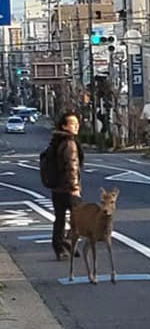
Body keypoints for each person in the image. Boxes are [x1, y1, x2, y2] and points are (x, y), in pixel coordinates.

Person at [50, 112, 84, 261]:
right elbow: (72, 166)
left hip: (56, 188)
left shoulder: (56, 141)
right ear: (64, 126)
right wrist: (75, 187)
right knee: (79, 218)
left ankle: (59, 247)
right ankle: (69, 243)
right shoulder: (70, 143)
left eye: (77, 123)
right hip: (68, 188)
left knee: (60, 218)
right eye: (72, 123)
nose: (76, 126)